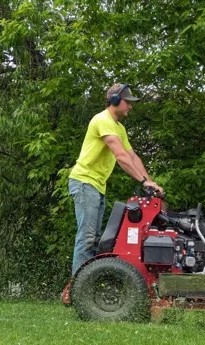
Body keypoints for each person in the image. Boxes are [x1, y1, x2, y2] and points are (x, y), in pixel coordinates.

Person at [68, 83, 163, 275]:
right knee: (87, 238)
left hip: (96, 186)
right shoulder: (102, 120)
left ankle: (87, 283)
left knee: (94, 239)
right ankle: (78, 288)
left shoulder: (118, 128)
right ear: (115, 101)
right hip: (85, 182)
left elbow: (133, 157)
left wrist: (150, 182)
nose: (130, 106)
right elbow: (120, 156)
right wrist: (143, 181)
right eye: (127, 102)